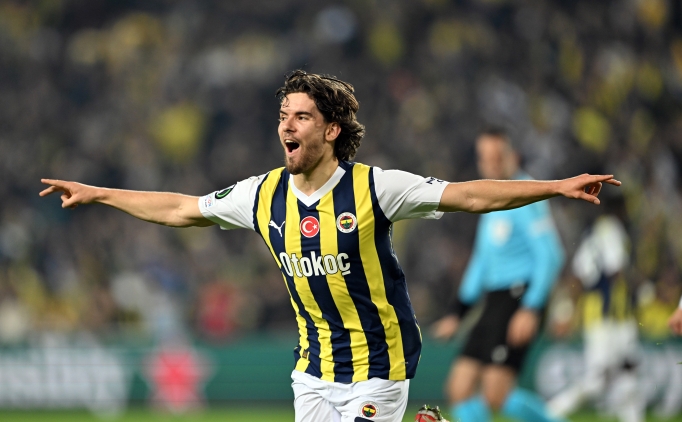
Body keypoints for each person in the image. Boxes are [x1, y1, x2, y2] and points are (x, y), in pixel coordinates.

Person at [40, 70, 620, 422]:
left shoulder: (375, 188)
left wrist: (554, 186)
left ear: (331, 130)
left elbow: (468, 195)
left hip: (379, 365)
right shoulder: (262, 194)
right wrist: (100, 193)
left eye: (302, 116)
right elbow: (180, 208)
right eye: (283, 115)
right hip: (312, 370)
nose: (287, 126)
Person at [430, 129, 566, 422]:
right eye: (485, 158)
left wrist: (531, 307)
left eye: (497, 157)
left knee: (497, 394)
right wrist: (458, 311)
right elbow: (482, 261)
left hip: (518, 297)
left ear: (512, 156)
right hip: (493, 300)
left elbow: (551, 255)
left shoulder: (527, 195)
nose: (491, 164)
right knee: (459, 389)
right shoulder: (492, 197)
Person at [547, 212, 644, 422]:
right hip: (609, 316)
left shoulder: (589, 236)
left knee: (627, 372)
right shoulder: (611, 228)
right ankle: (551, 411)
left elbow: (578, 278)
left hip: (605, 316)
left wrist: (567, 312)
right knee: (598, 381)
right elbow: (615, 269)